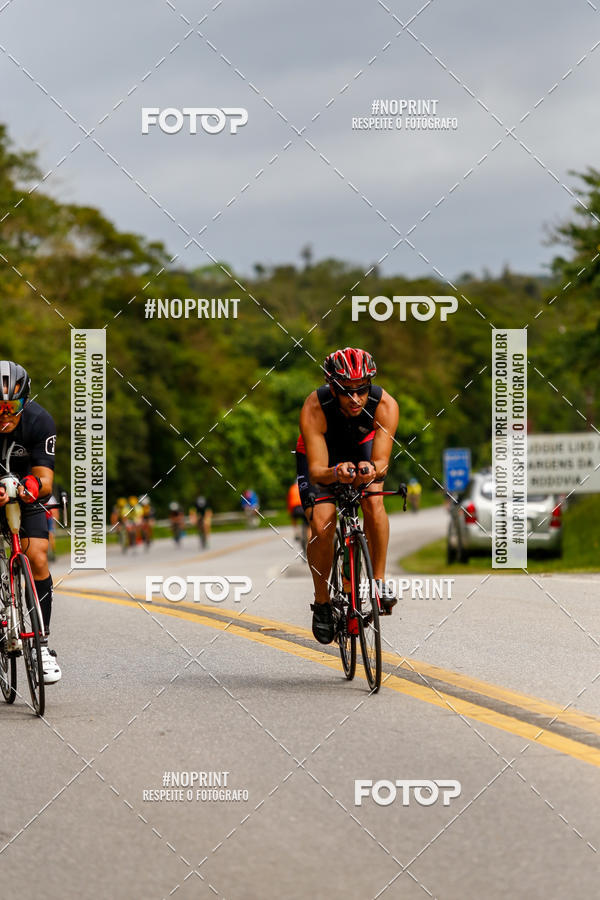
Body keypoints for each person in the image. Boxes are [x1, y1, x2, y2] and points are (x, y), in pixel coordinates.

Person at [296, 348, 399, 644]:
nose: (355, 399)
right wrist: (336, 472)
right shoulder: (315, 406)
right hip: (323, 459)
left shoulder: (385, 405)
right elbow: (317, 471)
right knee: (322, 523)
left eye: (362, 390)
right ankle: (322, 603)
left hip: (361, 448)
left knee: (374, 500)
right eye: (346, 391)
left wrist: (371, 469)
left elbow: (382, 462)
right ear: (332, 388)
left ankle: (378, 582)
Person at [0, 361, 60, 683]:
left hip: (25, 493)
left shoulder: (39, 421)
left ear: (24, 401)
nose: (4, 416)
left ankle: (41, 646)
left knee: (36, 556)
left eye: (12, 407)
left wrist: (32, 487)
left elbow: (46, 479)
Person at [287, 480, 307, 551]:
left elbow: (289, 501)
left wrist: (290, 512)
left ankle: (296, 533)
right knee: (308, 524)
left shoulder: (292, 488)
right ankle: (309, 537)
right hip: (303, 507)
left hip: (295, 508)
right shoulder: (304, 486)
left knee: (293, 518)